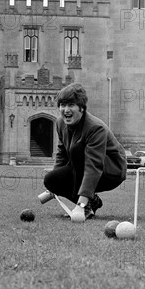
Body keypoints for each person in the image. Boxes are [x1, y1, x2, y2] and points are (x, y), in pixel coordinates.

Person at [43, 83, 127, 219]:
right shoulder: (60, 123)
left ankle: (85, 205)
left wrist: (80, 205)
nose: (66, 110)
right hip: (80, 165)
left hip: (111, 170)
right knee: (51, 179)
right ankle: (92, 201)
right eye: (62, 105)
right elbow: (62, 154)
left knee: (77, 150)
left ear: (82, 108)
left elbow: (93, 166)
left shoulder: (95, 128)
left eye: (71, 105)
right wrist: (55, 184)